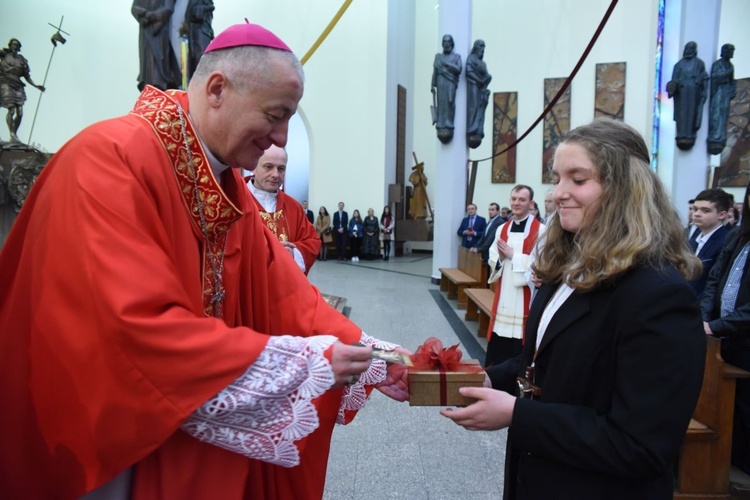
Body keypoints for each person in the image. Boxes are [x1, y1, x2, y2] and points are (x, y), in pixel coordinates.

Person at [0, 23, 410, 499]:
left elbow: (284, 291)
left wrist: (374, 355)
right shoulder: (108, 158)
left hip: (186, 425)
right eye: (276, 116)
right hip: (108, 437)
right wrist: (305, 363)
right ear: (217, 89)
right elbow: (128, 328)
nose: (280, 139)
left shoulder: (221, 180)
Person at [442, 118, 706, 499]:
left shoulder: (658, 295)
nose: (558, 193)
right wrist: (486, 380)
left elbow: (642, 445)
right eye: (558, 178)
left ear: (623, 189)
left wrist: (518, 415)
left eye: (578, 180)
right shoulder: (569, 265)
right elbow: (545, 364)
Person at [702, 180, 750, 475]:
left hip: (743, 339)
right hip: (720, 339)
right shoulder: (738, 236)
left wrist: (717, 324)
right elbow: (714, 280)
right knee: (722, 409)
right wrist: (705, 319)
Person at [485, 185, 545, 367]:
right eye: (514, 199)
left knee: (520, 340)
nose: (516, 203)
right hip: (505, 292)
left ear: (531, 203)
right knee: (499, 342)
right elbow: (492, 258)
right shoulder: (501, 229)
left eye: (522, 199)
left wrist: (514, 256)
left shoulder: (541, 231)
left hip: (525, 294)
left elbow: (543, 265)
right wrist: (501, 259)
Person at [246, 144, 320, 274]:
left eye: (281, 169)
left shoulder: (293, 207)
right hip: (249, 285)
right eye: (268, 167)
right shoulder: (236, 200)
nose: (275, 174)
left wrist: (293, 253)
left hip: (284, 286)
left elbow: (312, 241)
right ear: (254, 167)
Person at [0, 38, 45, 143]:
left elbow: (27, 76)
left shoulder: (22, 60)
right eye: (13, 44)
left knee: (20, 113)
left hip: (18, 84)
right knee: (11, 109)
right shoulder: (4, 55)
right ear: (10, 45)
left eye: (17, 45)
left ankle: (14, 135)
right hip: (6, 82)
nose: (15, 46)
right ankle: (12, 134)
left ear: (19, 47)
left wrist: (36, 86)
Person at [667, 41, 708, 151]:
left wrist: (703, 85)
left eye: (691, 48)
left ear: (694, 50)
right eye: (687, 48)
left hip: (694, 93)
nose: (689, 50)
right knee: (682, 114)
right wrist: (673, 87)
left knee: (691, 114)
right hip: (682, 93)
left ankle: (690, 134)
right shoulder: (679, 65)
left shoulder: (699, 63)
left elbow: (704, 78)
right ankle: (681, 134)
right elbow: (674, 80)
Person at [131, 0, 181, 91]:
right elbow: (134, 8)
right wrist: (145, 14)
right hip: (146, 31)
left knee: (160, 60)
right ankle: (149, 86)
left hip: (161, 32)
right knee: (147, 61)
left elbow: (168, 8)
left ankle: (158, 86)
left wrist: (152, 16)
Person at [689, 188, 730, 298]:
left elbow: (714, 283)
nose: (697, 214)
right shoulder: (693, 240)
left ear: (721, 215)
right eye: (695, 209)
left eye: (705, 210)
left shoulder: (725, 242)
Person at [431, 34, 462, 144]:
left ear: (452, 43)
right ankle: (441, 123)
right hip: (440, 82)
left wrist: (448, 65)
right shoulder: (438, 57)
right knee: (441, 102)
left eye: (448, 42)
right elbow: (435, 72)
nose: (446, 44)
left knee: (450, 102)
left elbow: (459, 69)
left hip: (450, 82)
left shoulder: (456, 57)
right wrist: (432, 85)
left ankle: (448, 123)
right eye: (444, 42)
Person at [708, 43, 737, 155]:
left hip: (725, 93)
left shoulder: (731, 66)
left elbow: (732, 81)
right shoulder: (718, 64)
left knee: (723, 115)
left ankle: (721, 137)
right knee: (717, 114)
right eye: (730, 51)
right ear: (725, 51)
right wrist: (726, 74)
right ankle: (715, 135)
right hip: (718, 93)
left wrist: (733, 88)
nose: (732, 53)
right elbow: (715, 78)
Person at [465, 39, 492, 149]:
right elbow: (468, 72)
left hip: (481, 88)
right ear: (476, 47)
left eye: (484, 48)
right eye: (481, 47)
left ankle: (478, 128)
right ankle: (472, 127)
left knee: (481, 106)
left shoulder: (483, 63)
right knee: (473, 106)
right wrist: (479, 80)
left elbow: (487, 75)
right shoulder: (471, 59)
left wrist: (486, 79)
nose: (482, 50)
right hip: (473, 87)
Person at [182, 0, 215, 79]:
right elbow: (192, 14)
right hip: (196, 33)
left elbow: (202, 16)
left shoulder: (207, 2)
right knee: (196, 58)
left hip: (203, 31)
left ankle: (203, 79)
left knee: (202, 57)